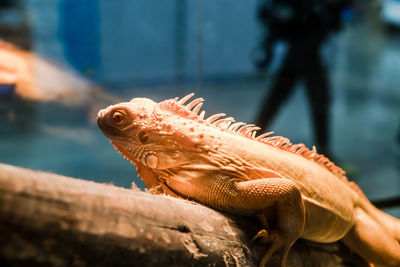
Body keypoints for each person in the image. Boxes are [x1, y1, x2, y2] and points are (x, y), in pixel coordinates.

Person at [254, 0, 351, 155]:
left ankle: (253, 134)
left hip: (307, 33)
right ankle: (325, 153)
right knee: (313, 95)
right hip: (304, 32)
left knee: (283, 91)